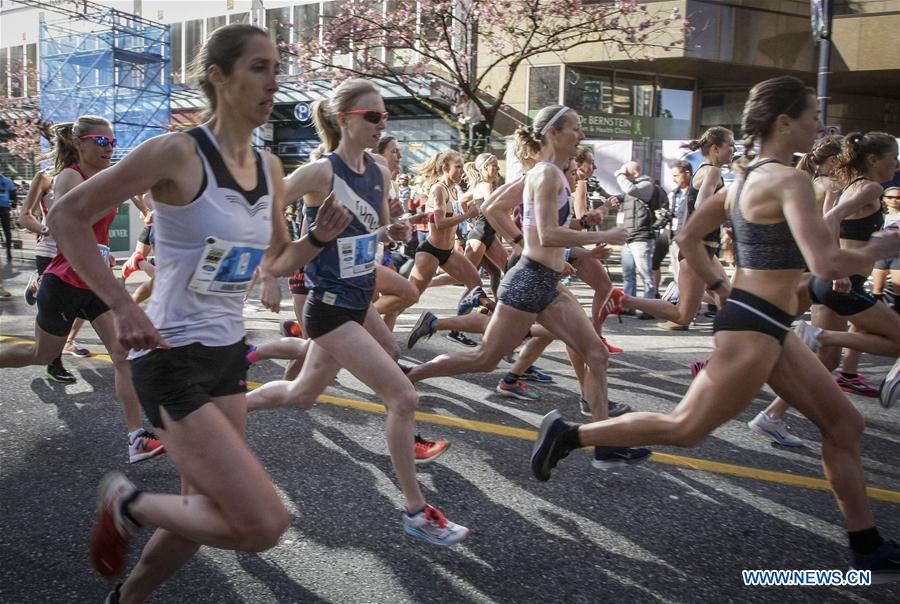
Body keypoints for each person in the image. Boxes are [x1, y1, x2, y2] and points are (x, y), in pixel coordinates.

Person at [531, 76, 900, 582]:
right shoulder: (787, 180)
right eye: (813, 115)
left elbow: (688, 237)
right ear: (784, 122)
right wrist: (882, 247)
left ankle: (866, 546)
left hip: (764, 322)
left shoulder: (742, 181)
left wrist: (722, 286)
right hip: (755, 328)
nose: (820, 126)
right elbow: (825, 262)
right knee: (686, 427)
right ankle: (568, 434)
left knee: (845, 426)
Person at [49, 26, 350, 600]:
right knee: (262, 524)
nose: (274, 81)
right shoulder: (177, 152)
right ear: (219, 76)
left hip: (225, 352)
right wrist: (121, 305)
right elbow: (67, 217)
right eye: (259, 67)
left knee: (201, 509)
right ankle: (129, 502)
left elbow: (276, 259)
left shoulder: (269, 167)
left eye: (277, 67)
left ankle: (126, 598)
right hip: (170, 353)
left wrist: (317, 239)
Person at [245, 77, 469, 546]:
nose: (381, 123)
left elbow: (377, 232)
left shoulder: (379, 171)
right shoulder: (320, 172)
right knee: (403, 396)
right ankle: (416, 511)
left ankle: (222, 405)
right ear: (344, 119)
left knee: (303, 393)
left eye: (384, 116)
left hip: (359, 298)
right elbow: (263, 205)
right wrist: (268, 269)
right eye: (372, 116)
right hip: (328, 305)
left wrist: (395, 233)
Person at [407, 105, 644, 468]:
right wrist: (602, 235)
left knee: (596, 353)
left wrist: (559, 230)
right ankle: (409, 375)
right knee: (484, 359)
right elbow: (546, 235)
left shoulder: (547, 172)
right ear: (553, 134)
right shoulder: (546, 175)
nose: (581, 135)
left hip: (546, 282)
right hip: (530, 281)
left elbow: (499, 209)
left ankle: (603, 445)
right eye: (576, 128)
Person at [0, 116, 165, 464]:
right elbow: (68, 223)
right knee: (41, 355)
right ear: (79, 143)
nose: (110, 148)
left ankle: (136, 437)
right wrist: (111, 194)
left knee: (123, 356)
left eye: (113, 142)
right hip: (66, 281)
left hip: (96, 282)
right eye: (101, 141)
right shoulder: (70, 176)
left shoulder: (104, 177)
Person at [605, 129, 735, 329]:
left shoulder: (706, 169)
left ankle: (730, 336)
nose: (734, 150)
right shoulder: (712, 171)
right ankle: (623, 299)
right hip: (698, 249)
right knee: (683, 317)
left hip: (704, 247)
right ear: (716, 149)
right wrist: (727, 205)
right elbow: (702, 205)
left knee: (726, 296)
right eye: (731, 145)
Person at [608, 160, 664, 305]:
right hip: (628, 237)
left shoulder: (646, 185)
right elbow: (617, 197)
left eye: (626, 173)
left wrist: (620, 174)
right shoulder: (631, 188)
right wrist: (599, 190)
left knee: (645, 274)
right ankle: (628, 305)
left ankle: (649, 305)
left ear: (636, 173)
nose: (623, 177)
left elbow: (630, 190)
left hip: (642, 237)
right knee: (628, 275)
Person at [872, 186, 900, 305]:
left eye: (898, 197)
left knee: (898, 290)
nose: (894, 200)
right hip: (880, 254)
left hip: (898, 254)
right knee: (877, 289)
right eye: (890, 197)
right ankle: (876, 314)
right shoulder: (877, 215)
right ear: (883, 198)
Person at [0, 171, 16, 264]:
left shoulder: (8, 181)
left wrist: (14, 202)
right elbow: (13, 194)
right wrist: (14, 202)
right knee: (7, 231)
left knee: (7, 231)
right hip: (5, 208)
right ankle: (8, 252)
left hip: (4, 208)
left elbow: (13, 194)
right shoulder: (8, 181)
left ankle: (8, 252)